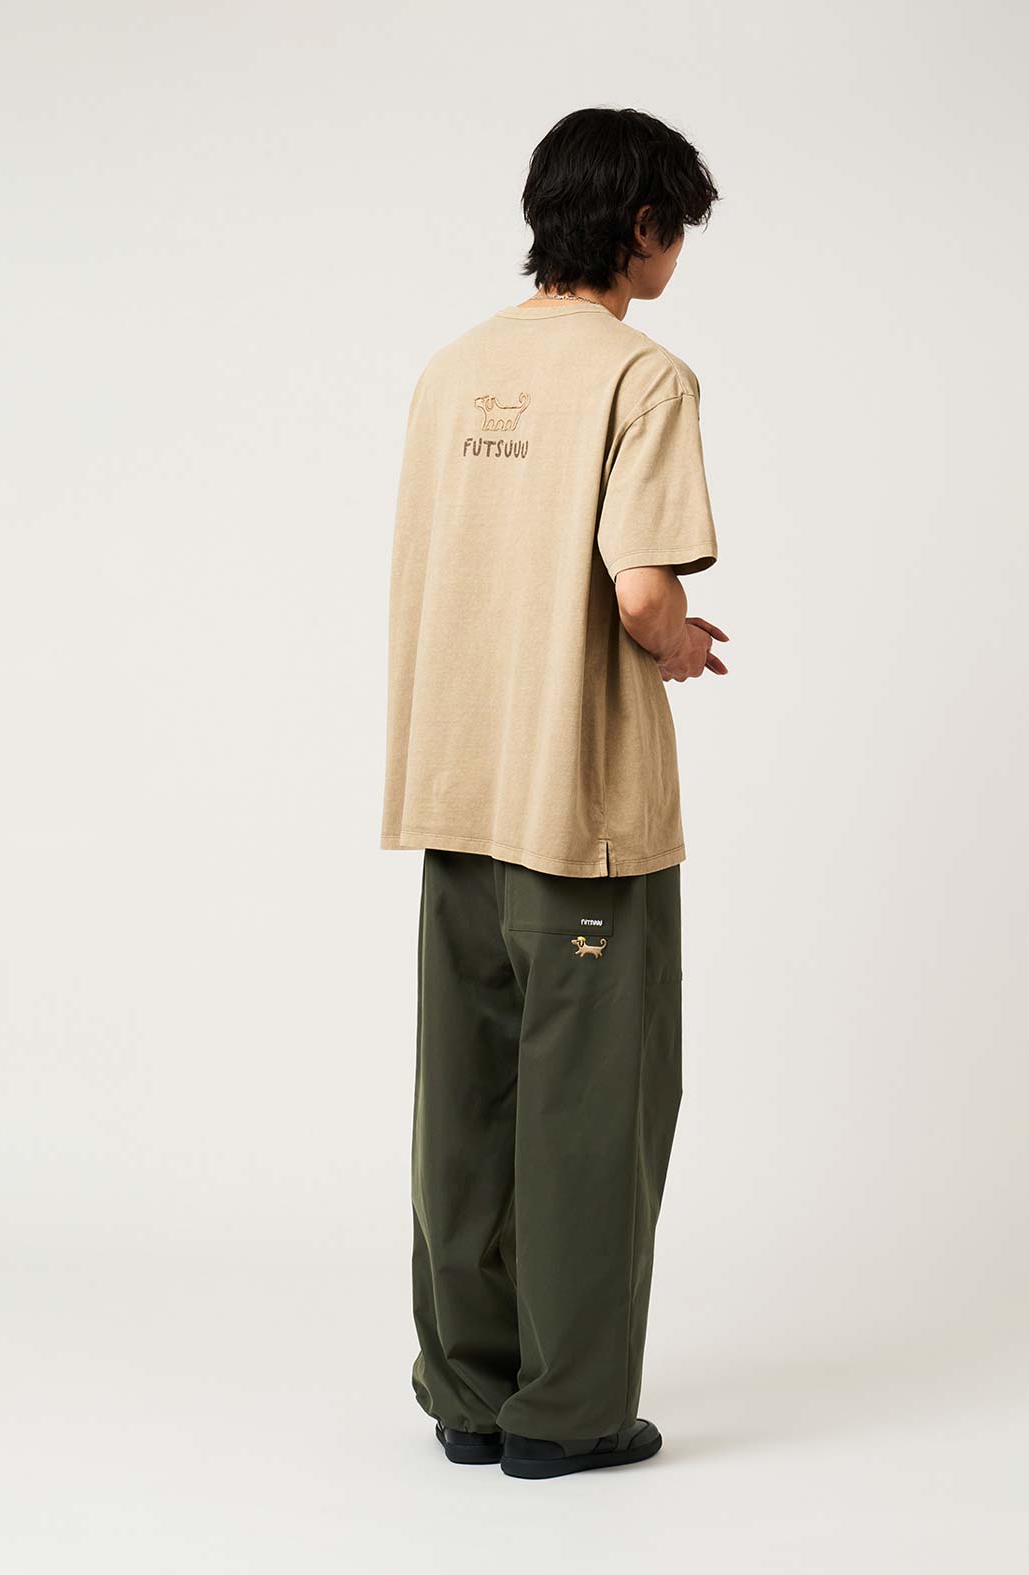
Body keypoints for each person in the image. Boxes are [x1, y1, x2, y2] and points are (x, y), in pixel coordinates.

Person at [381, 106, 727, 1479]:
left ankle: (468, 1393)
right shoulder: (643, 378)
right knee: (591, 1116)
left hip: (453, 789)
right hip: (579, 812)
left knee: (463, 1110)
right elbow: (640, 591)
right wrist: (677, 642)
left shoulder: (450, 371)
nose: (676, 253)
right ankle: (568, 1414)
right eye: (675, 228)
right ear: (641, 225)